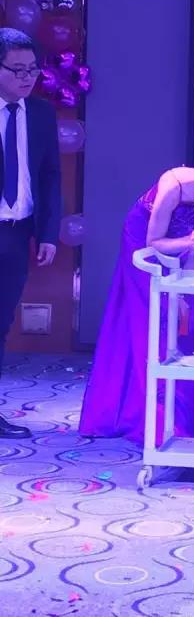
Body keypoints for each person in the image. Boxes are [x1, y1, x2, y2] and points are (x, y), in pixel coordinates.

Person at [79, 133, 194, 445]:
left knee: (191, 322)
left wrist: (186, 291)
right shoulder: (176, 184)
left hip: (187, 250)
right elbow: (153, 242)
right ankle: (155, 420)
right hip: (144, 245)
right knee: (153, 322)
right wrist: (188, 241)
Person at [0, 28, 61, 440]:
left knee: (1, 323)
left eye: (33, 70)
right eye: (17, 70)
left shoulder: (40, 113)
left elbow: (50, 175)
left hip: (17, 233)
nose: (27, 78)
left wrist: (49, 232)